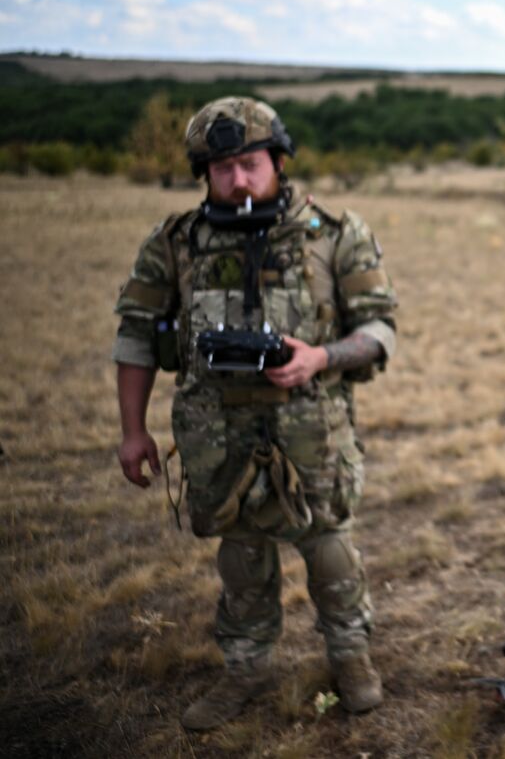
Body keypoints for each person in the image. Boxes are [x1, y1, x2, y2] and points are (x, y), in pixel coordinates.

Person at [112, 97, 398, 731]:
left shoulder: (335, 233)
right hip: (217, 436)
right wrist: (133, 431)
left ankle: (351, 658)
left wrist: (321, 356)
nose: (237, 179)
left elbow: (380, 329)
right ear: (203, 173)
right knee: (241, 557)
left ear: (277, 159)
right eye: (221, 168)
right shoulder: (175, 243)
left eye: (249, 163)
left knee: (329, 550)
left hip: (310, 429)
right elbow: (135, 336)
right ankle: (245, 669)